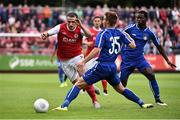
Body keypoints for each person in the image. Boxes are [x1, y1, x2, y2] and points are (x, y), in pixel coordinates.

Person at [52, 11, 153, 111]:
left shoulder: (103, 33)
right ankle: (142, 103)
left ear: (107, 22)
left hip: (102, 66)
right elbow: (133, 45)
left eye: (104, 19)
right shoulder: (121, 33)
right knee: (121, 89)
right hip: (112, 67)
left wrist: (83, 61)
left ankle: (64, 106)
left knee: (78, 84)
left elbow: (97, 50)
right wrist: (127, 39)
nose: (103, 21)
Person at [41, 12, 100, 108]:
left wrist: (80, 25)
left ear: (76, 21)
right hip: (64, 61)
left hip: (77, 57)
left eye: (73, 22)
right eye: (69, 22)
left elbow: (89, 35)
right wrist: (45, 34)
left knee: (83, 78)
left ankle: (95, 100)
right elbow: (49, 32)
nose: (71, 24)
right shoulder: (61, 27)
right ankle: (91, 86)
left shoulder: (80, 29)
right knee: (77, 84)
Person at [120, 10, 176, 106]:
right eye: (137, 17)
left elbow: (159, 46)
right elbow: (119, 36)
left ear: (146, 19)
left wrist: (167, 60)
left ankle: (158, 99)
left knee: (151, 75)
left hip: (140, 59)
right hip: (127, 60)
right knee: (122, 85)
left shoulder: (150, 33)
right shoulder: (130, 28)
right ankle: (115, 76)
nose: (138, 19)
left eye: (141, 17)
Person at [83, 16, 108, 96]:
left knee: (103, 73)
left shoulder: (103, 32)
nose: (97, 22)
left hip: (99, 56)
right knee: (86, 74)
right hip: (89, 56)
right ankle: (85, 88)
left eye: (98, 21)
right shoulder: (89, 31)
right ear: (93, 22)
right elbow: (82, 41)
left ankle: (105, 90)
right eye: (95, 21)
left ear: (101, 22)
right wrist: (87, 43)